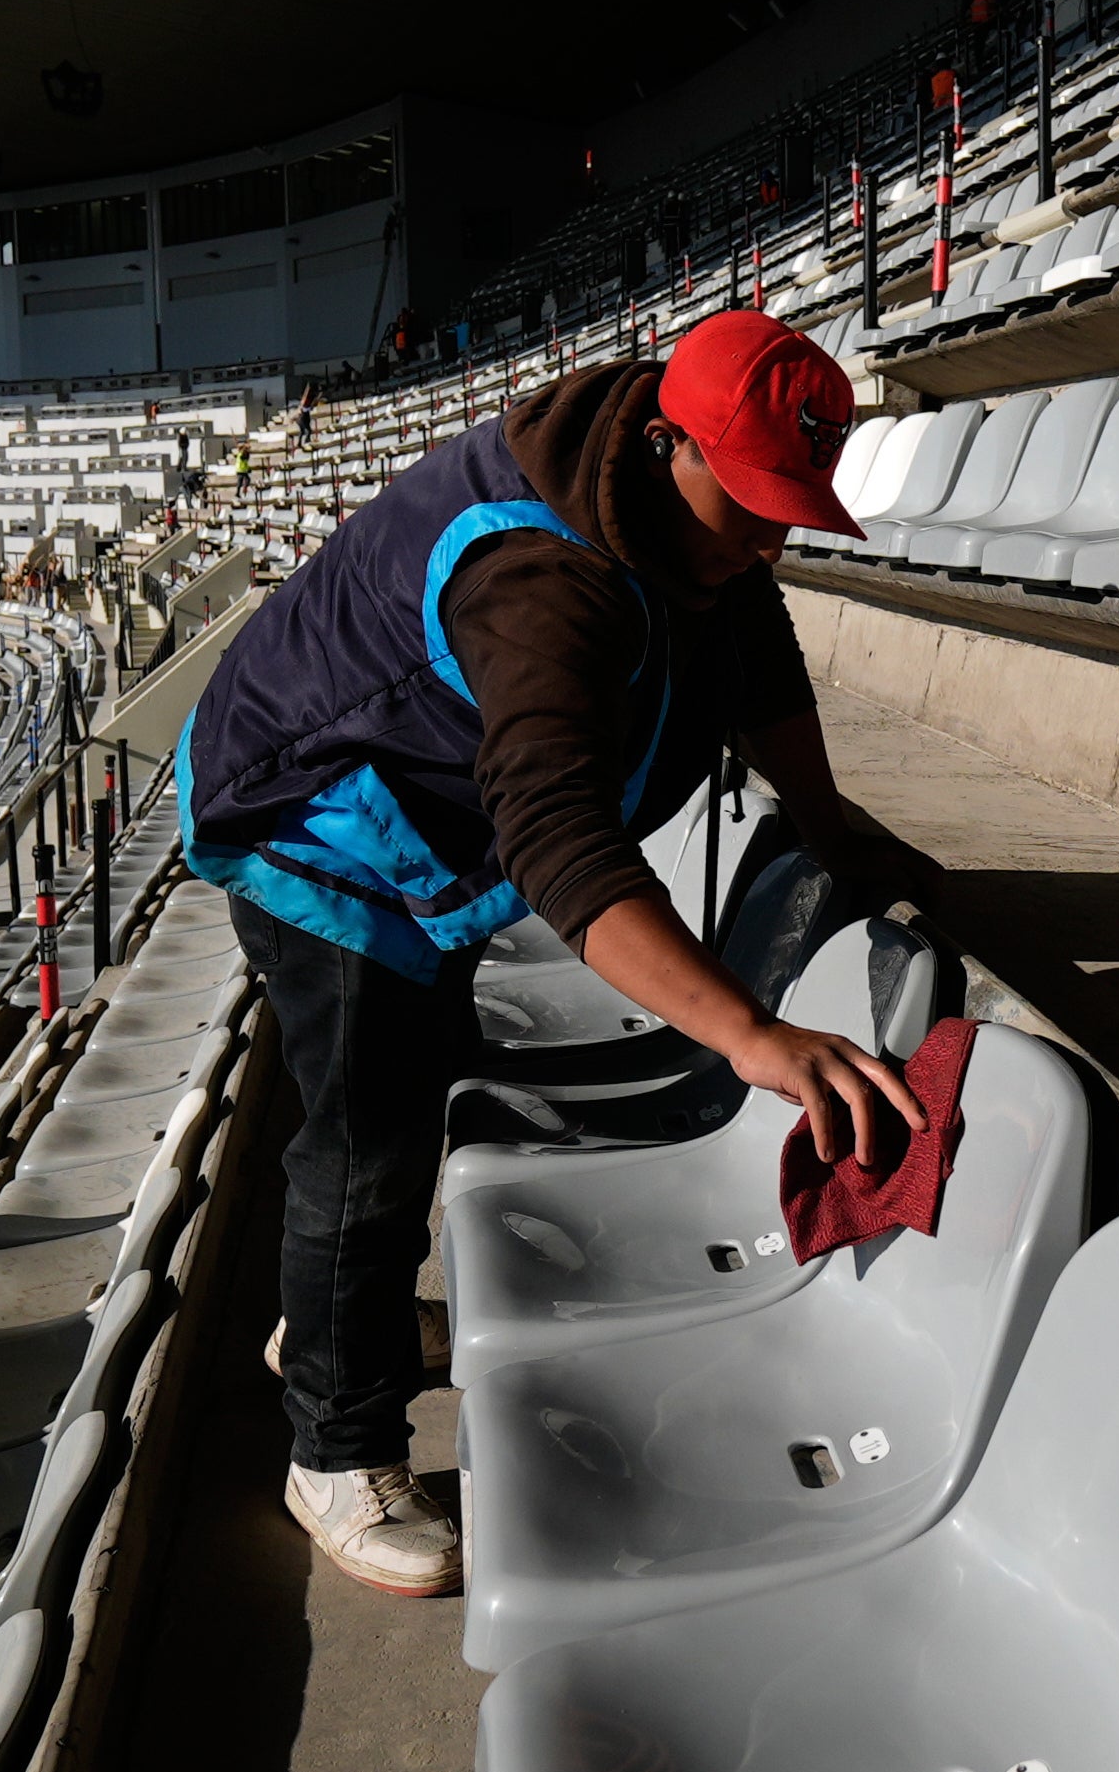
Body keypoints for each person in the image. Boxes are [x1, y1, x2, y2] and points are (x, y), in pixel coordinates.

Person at [172, 307, 922, 1594]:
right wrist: (750, 1033)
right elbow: (558, 836)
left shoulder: (679, 508)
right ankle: (334, 1447)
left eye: (786, 505)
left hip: (422, 828)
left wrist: (827, 821)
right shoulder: (539, 573)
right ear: (672, 442)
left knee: (407, 1091)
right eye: (746, 503)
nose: (767, 537)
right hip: (321, 827)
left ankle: (333, 1325)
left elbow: (756, 646)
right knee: (365, 1138)